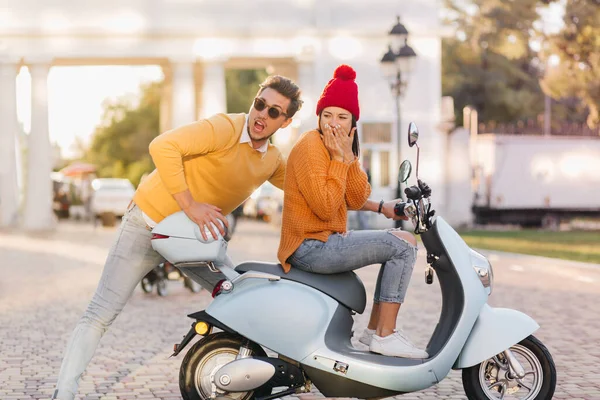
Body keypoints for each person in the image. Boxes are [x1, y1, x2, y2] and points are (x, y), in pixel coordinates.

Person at [52, 75, 303, 400]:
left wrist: (372, 203)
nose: (261, 115)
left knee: (238, 292)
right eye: (260, 104)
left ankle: (261, 370)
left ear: (285, 122)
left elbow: (305, 188)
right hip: (147, 225)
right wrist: (191, 205)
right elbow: (163, 145)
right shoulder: (225, 127)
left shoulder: (272, 161)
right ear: (253, 101)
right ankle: (64, 392)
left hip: (191, 242)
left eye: (273, 112)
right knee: (101, 312)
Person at [277, 65, 427, 359]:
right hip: (309, 246)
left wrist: (347, 157)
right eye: (327, 115)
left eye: (342, 117)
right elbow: (324, 206)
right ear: (319, 117)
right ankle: (385, 335)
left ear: (352, 123)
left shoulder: (337, 150)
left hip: (323, 241)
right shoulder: (311, 146)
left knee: (399, 240)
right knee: (403, 245)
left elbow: (357, 196)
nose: (333, 123)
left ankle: (374, 331)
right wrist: (338, 159)